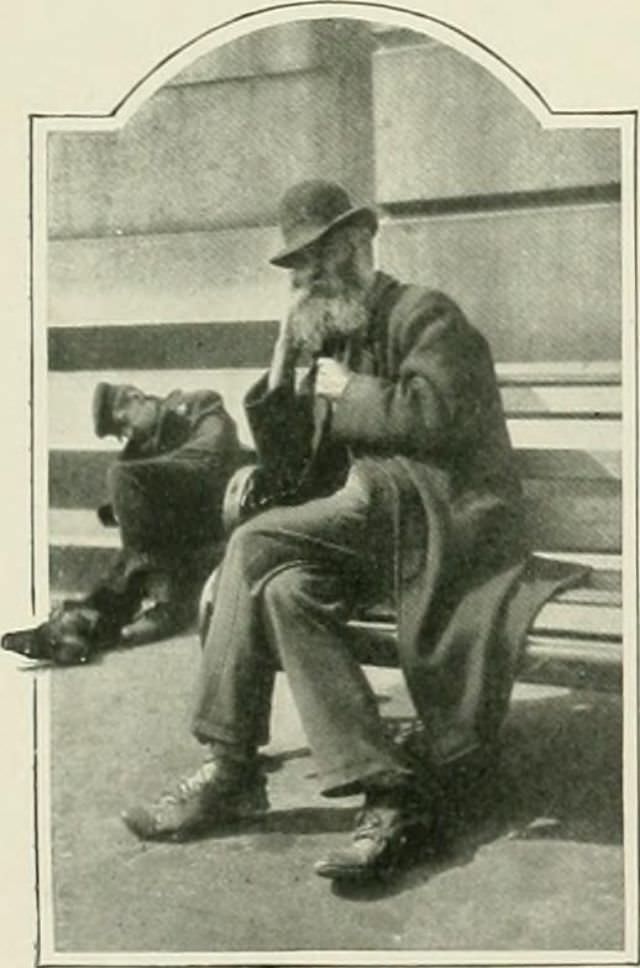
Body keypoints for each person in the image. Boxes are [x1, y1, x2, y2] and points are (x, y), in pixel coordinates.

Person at [121, 180, 584, 879]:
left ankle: (231, 766)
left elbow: (439, 418)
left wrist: (350, 394)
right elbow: (291, 468)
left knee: (252, 542)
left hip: (445, 523)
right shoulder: (331, 334)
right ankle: (389, 791)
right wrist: (285, 362)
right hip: (374, 526)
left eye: (321, 259)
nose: (308, 277)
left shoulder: (428, 315)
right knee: (287, 593)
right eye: (298, 267)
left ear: (362, 245)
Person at [85, 381, 246, 644]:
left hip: (225, 506)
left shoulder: (199, 404)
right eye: (122, 433)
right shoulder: (139, 449)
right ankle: (86, 621)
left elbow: (210, 458)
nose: (128, 435)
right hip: (184, 528)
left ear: (136, 396)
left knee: (122, 475)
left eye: (126, 425)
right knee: (125, 485)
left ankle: (171, 606)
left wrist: (146, 485)